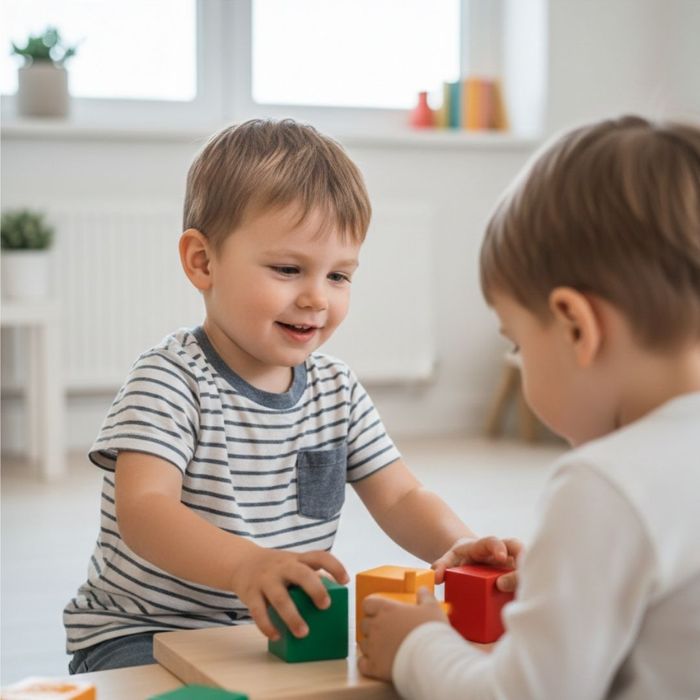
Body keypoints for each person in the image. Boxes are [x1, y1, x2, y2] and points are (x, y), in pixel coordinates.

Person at [64, 119, 520, 673]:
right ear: (202, 262)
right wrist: (245, 566)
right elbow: (144, 510)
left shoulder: (337, 389)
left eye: (339, 276)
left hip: (272, 630)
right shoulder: (170, 379)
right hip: (143, 633)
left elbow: (400, 497)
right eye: (287, 269)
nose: (315, 298)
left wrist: (459, 548)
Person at [358, 115, 700, 700]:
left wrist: (417, 644)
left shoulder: (605, 485)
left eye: (515, 341)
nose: (517, 357)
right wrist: (563, 585)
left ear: (574, 326)